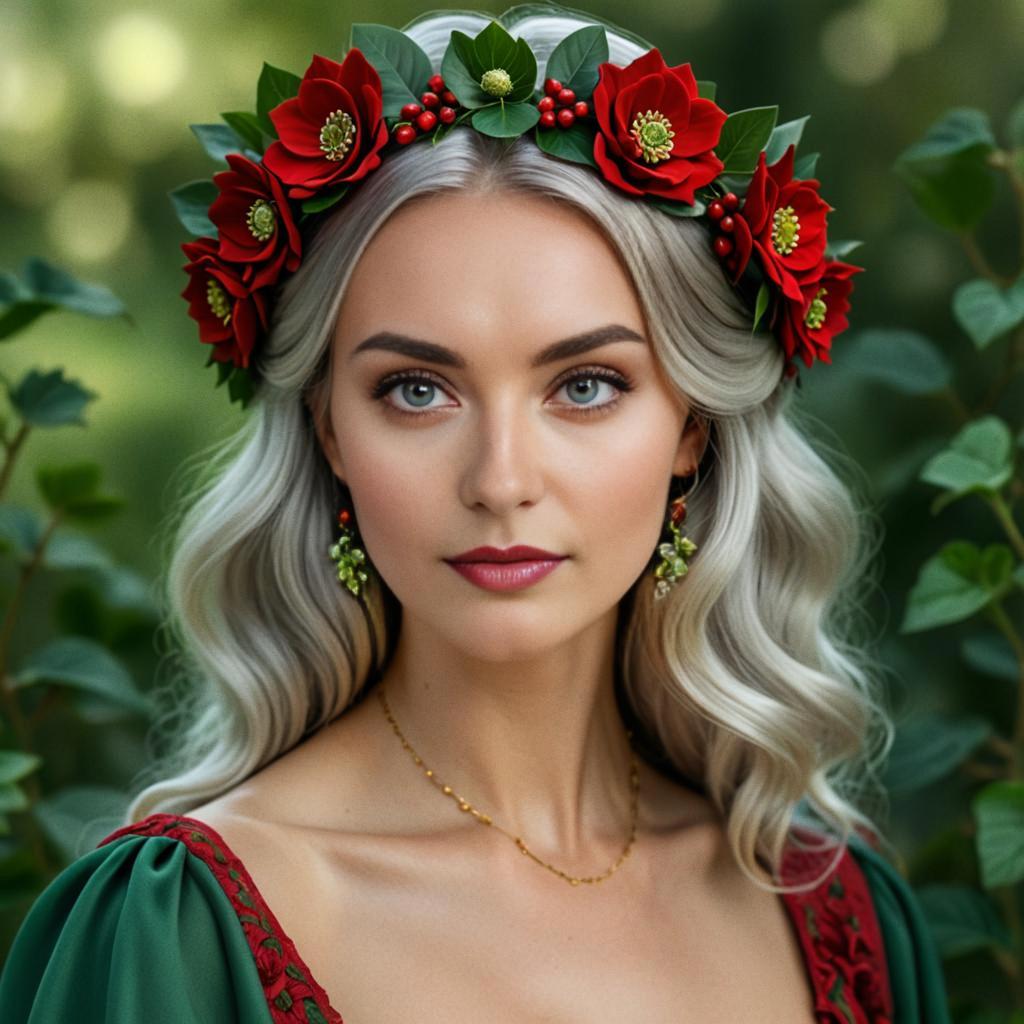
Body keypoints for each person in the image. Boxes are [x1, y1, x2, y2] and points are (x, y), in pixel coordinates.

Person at [0, 5, 951, 1022]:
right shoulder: (176, 929)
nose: (500, 480)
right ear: (329, 432)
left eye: (584, 385)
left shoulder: (838, 911)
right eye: (417, 389)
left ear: (692, 429)